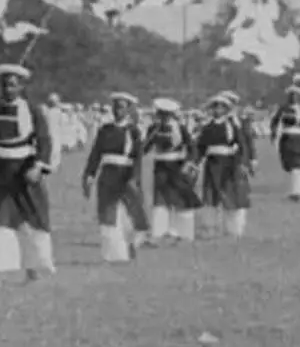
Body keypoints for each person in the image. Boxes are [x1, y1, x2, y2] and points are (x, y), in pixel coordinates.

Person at [0, 64, 55, 285]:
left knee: (33, 220)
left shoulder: (32, 110)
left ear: (21, 87)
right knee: (0, 221)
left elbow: (44, 140)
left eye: (13, 85)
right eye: (5, 85)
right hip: (1, 171)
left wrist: (38, 166)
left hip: (25, 171)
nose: (8, 89)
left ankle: (34, 267)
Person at [83, 92, 149, 262]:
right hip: (107, 175)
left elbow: (137, 157)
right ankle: (114, 254)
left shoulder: (133, 131)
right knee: (107, 214)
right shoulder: (105, 130)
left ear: (128, 109)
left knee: (132, 213)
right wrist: (89, 174)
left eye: (121, 107)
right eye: (115, 107)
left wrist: (134, 177)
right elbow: (95, 154)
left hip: (126, 175)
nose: (117, 110)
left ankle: (132, 243)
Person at [142, 98, 199, 244]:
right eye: (161, 114)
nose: (163, 118)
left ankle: (183, 232)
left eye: (166, 115)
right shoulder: (154, 128)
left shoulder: (180, 128)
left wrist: (190, 162)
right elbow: (145, 147)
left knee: (181, 199)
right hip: (160, 166)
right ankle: (159, 232)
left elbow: (191, 146)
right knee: (160, 199)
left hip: (177, 166)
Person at [197, 94, 251, 238]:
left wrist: (243, 163)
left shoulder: (232, 126)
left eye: (221, 107)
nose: (218, 110)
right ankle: (209, 228)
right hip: (212, 164)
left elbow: (242, 145)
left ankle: (233, 229)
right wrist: (194, 163)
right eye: (215, 107)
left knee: (230, 196)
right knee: (210, 197)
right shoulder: (207, 127)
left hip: (229, 164)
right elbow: (200, 147)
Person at [270, 85, 300, 201]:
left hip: (299, 139)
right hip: (287, 139)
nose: (293, 98)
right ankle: (294, 190)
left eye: (295, 95)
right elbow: (275, 123)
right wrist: (274, 136)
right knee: (291, 164)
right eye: (291, 95)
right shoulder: (283, 109)